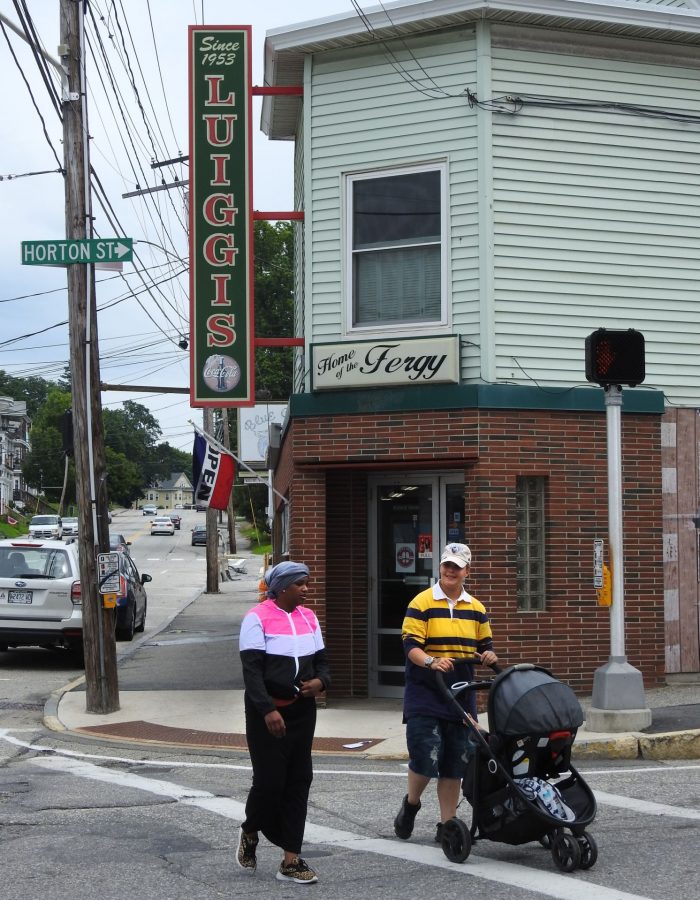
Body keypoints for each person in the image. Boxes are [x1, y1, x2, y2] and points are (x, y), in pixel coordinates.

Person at [394, 542, 498, 844]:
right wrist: (430, 661)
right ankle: (411, 804)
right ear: (440, 567)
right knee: (426, 757)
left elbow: (484, 646)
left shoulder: (476, 609)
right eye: (446, 565)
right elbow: (410, 645)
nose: (450, 571)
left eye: (457, 566)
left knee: (455, 763)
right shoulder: (422, 603)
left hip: (460, 695)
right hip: (426, 693)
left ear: (467, 570)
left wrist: (488, 656)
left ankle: (448, 825)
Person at [237, 560, 331, 885]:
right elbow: (251, 672)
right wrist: (267, 710)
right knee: (269, 782)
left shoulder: (309, 617)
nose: (307, 589)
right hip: (266, 714)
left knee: (299, 779)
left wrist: (320, 683)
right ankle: (251, 830)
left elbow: (323, 662)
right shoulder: (256, 618)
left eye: (307, 582)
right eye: (300, 584)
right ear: (282, 588)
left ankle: (291, 859)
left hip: (302, 711)